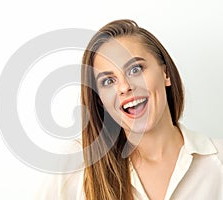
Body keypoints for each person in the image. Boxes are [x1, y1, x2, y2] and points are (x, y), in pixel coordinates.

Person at [38, 19, 223, 200]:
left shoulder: (218, 161)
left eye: (135, 69)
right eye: (108, 81)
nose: (124, 87)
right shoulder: (76, 166)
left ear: (165, 74)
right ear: (101, 100)